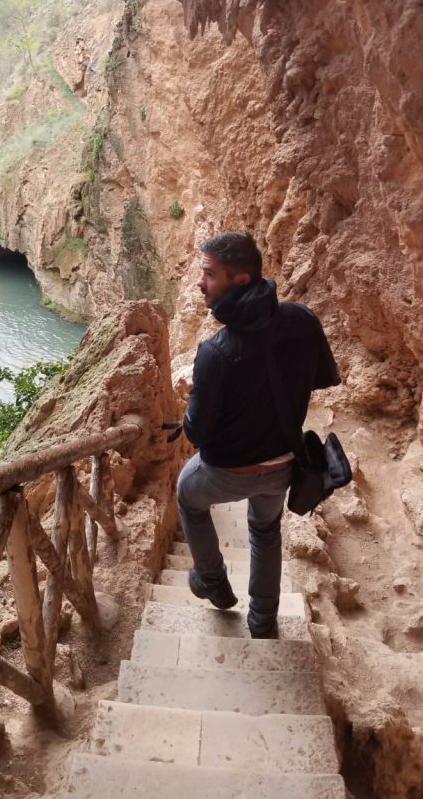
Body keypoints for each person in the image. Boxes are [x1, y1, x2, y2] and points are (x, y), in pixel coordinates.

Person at [177, 231, 340, 639]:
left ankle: (212, 579)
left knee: (187, 495)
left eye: (209, 274)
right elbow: (321, 379)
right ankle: (263, 620)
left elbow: (197, 431)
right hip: (284, 464)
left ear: (241, 281)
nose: (200, 282)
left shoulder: (216, 351)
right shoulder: (302, 318)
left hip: (227, 472)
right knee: (264, 532)